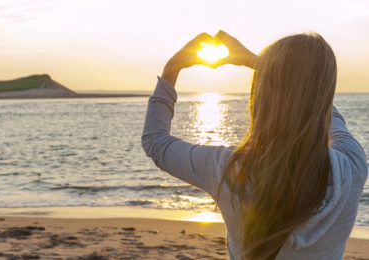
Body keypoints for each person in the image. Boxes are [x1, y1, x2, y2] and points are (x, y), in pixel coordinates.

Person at [141, 31, 368, 260]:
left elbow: (156, 141)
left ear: (261, 94)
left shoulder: (227, 169)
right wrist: (266, 67)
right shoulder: (352, 166)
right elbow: (324, 110)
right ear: (326, 92)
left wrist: (173, 68)